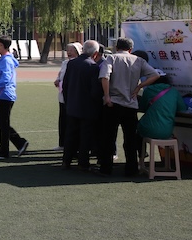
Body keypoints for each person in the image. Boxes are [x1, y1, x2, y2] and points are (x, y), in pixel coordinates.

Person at [99, 37, 160, 176]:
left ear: (116, 47)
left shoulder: (112, 58)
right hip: (130, 103)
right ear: (130, 49)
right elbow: (155, 75)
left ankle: (106, 168)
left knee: (108, 137)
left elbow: (105, 77)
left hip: (113, 102)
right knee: (130, 138)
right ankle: (131, 168)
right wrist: (139, 86)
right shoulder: (138, 60)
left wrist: (107, 95)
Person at [61, 40, 103, 171]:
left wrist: (68, 101)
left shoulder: (72, 63)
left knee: (70, 134)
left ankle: (66, 161)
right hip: (87, 106)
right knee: (85, 135)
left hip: (72, 104)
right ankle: (83, 162)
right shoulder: (93, 66)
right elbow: (95, 90)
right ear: (95, 53)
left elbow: (65, 85)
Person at [0, 35, 29, 160]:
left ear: (5, 46)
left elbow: (5, 79)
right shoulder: (5, 59)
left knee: (2, 123)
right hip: (3, 94)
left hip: (5, 94)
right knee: (2, 122)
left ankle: (4, 151)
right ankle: (19, 143)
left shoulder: (6, 60)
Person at [53, 42, 83, 151]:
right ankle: (62, 144)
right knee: (62, 120)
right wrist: (58, 80)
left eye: (71, 50)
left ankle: (73, 145)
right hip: (63, 96)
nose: (69, 52)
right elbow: (61, 74)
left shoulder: (79, 63)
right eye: (68, 50)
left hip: (73, 97)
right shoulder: (65, 63)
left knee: (72, 121)